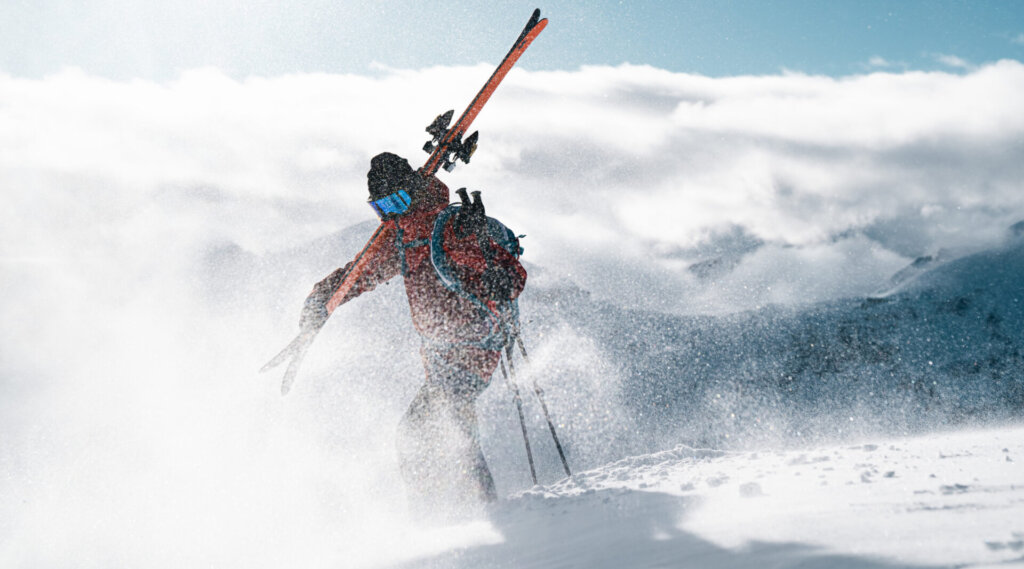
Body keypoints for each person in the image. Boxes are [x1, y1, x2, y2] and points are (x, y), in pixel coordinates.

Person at [299, 152, 527, 510]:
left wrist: (502, 278)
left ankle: (469, 515)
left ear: (413, 192)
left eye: (398, 201)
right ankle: (454, 512)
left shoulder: (449, 226)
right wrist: (320, 300)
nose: (392, 213)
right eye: (382, 207)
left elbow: (508, 269)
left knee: (433, 430)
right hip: (439, 356)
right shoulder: (400, 238)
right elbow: (360, 274)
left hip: (472, 347)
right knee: (438, 432)